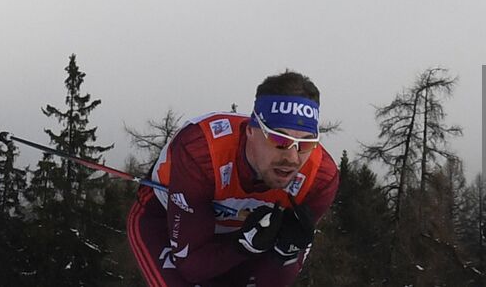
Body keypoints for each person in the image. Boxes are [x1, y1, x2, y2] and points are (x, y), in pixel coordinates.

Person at [127, 70, 340, 287]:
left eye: (306, 144)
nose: (292, 158)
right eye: (279, 140)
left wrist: (283, 253)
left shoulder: (320, 178)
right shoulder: (202, 151)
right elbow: (191, 267)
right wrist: (243, 245)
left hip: (246, 241)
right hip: (166, 222)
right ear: (251, 131)